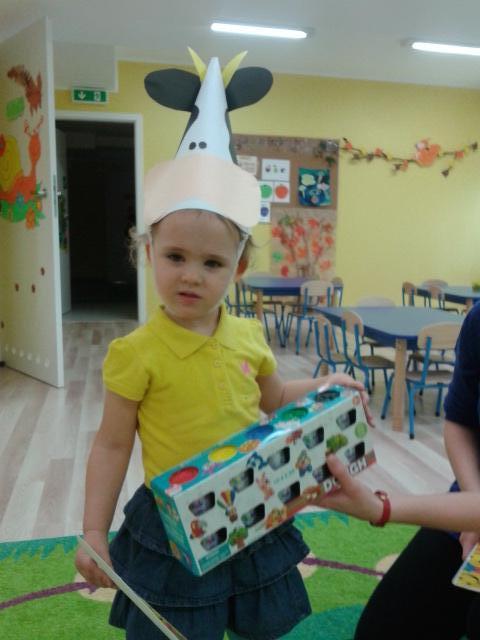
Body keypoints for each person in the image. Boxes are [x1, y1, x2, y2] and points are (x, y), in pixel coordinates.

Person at [75, 50, 373, 640]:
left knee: (256, 620)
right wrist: (92, 530)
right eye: (175, 256)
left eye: (212, 263)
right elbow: (111, 445)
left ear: (237, 269)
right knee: (179, 625)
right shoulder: (136, 353)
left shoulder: (249, 335)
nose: (191, 275)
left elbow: (274, 397)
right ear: (147, 253)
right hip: (176, 522)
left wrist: (322, 385)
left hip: (250, 502)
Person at [316, 301, 480, 640]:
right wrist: (472, 503)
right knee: (381, 630)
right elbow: (459, 421)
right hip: (470, 499)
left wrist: (381, 507)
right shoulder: (478, 321)